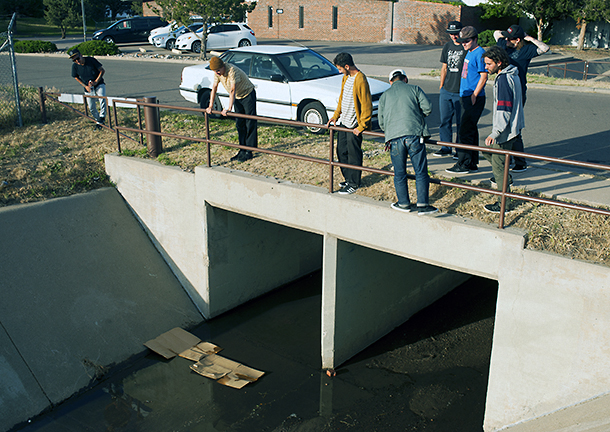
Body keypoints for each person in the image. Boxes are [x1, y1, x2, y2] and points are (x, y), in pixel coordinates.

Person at [378, 69, 437, 215]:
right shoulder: (415, 89)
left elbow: (381, 121)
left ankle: (403, 203)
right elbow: (428, 108)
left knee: (399, 173)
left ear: (391, 82)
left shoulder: (385, 95)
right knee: (421, 171)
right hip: (414, 135)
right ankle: (423, 205)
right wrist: (416, 116)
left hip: (394, 138)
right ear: (405, 79)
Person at [494, 24, 549, 172]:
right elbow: (496, 32)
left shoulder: (525, 50)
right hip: (503, 89)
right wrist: (505, 35)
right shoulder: (504, 44)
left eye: (510, 38)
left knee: (514, 126)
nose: (506, 40)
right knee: (502, 124)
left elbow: (545, 48)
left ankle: (520, 162)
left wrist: (529, 38)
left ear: (517, 40)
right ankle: (507, 157)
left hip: (518, 91)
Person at [481, 46, 525, 213]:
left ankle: (503, 205)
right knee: (487, 151)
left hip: (505, 132)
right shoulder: (512, 74)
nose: (486, 67)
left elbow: (504, 109)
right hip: (513, 128)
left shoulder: (503, 80)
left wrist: (496, 132)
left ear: (499, 63)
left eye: (489, 64)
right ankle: (506, 179)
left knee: (498, 168)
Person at [327, 52, 373, 195]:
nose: (340, 71)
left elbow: (367, 105)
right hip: (343, 122)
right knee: (341, 151)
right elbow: (342, 98)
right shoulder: (345, 78)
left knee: (354, 155)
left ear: (347, 66)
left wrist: (361, 126)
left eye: (340, 69)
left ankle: (354, 183)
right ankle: (348, 178)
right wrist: (335, 116)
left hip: (354, 126)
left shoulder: (360, 80)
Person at [446, 26, 488, 175]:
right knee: (470, 129)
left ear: (475, 39)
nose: (464, 44)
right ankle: (471, 162)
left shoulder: (479, 53)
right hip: (465, 95)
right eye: (462, 41)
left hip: (473, 96)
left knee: (464, 130)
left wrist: (475, 94)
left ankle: (463, 163)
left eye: (467, 41)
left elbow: (484, 76)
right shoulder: (469, 52)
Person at [206, 56, 257, 162]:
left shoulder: (232, 70)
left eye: (218, 70)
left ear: (222, 66)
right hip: (238, 97)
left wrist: (229, 108)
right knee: (240, 123)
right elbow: (214, 88)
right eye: (215, 71)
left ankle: (249, 151)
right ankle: (242, 149)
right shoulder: (217, 74)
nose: (217, 73)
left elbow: (232, 89)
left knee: (250, 122)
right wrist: (210, 105)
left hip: (248, 94)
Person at [434, 20, 466, 158]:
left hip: (460, 91)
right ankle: (445, 147)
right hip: (447, 90)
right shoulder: (447, 46)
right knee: (445, 121)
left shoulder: (466, 47)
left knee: (460, 123)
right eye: (451, 34)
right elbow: (444, 67)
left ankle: (459, 150)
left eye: (456, 33)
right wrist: (441, 86)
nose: (454, 36)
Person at [69, 48, 106, 128]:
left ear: (81, 55)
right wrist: (85, 86)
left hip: (98, 83)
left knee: (102, 98)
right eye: (74, 60)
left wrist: (96, 81)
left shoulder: (91, 60)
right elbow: (75, 77)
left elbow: (102, 70)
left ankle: (102, 117)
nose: (77, 61)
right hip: (88, 87)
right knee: (91, 106)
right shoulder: (75, 66)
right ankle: (98, 121)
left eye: (78, 58)